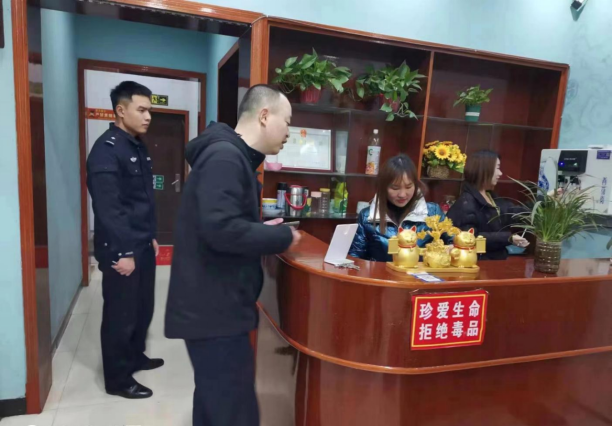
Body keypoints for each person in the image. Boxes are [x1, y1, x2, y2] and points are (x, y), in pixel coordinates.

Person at [165, 85, 301, 427]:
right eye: (287, 121)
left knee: (213, 406)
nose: (289, 132)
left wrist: (257, 228)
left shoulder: (230, 156)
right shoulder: (225, 158)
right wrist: (282, 236)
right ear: (264, 116)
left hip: (214, 308)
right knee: (235, 413)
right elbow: (221, 229)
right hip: (215, 313)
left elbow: (219, 222)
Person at [86, 81, 163, 400]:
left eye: (149, 110)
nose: (148, 116)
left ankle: (134, 357)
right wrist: (125, 251)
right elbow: (110, 209)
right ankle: (118, 379)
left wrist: (151, 236)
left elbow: (142, 200)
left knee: (142, 308)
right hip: (122, 249)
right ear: (120, 110)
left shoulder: (136, 146)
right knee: (121, 315)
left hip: (142, 243)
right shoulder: (106, 150)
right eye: (141, 109)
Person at [349, 154, 447, 262]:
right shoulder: (367, 217)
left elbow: (454, 243)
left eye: (408, 187)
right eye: (395, 188)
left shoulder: (433, 213)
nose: (402, 194)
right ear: (383, 187)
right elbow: (355, 259)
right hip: (380, 273)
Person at [447, 150, 530, 260]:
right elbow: (470, 238)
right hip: (479, 261)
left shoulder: (490, 196)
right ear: (484, 170)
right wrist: (508, 238)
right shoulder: (466, 202)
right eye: (497, 168)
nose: (500, 173)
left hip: (497, 259)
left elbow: (512, 211)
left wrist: (541, 202)